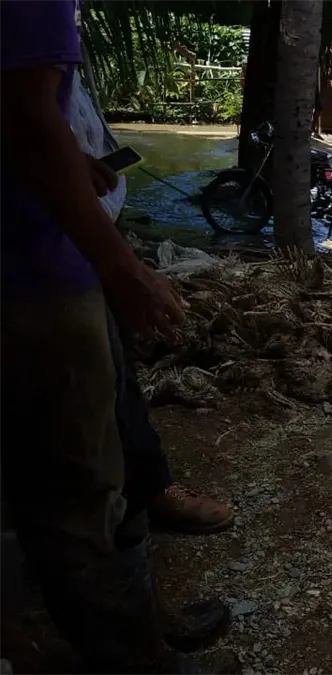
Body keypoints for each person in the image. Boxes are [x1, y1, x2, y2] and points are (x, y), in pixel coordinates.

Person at [0, 2, 236, 673]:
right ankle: (135, 658)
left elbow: (19, 109)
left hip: (33, 256)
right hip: (33, 272)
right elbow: (23, 114)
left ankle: (51, 634)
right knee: (79, 482)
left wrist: (71, 158)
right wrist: (120, 267)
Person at [68, 69, 236, 537]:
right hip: (60, 241)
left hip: (87, 216)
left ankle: (141, 493)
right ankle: (123, 524)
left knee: (115, 372)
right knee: (99, 382)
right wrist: (124, 269)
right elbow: (30, 125)